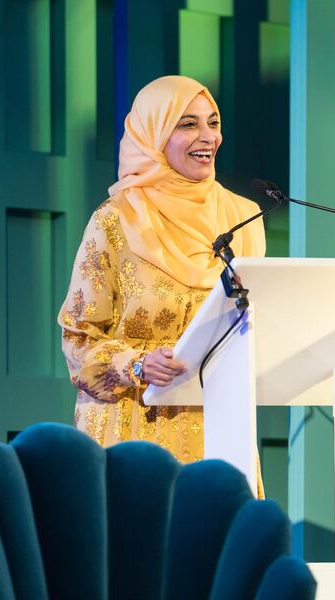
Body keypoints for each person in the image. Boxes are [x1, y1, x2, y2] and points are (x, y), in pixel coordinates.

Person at [58, 75, 265, 496]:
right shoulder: (117, 221)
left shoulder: (243, 218)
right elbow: (78, 342)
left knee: (218, 556)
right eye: (187, 124)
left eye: (213, 122)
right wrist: (136, 365)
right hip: (132, 430)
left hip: (218, 431)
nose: (208, 137)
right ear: (152, 134)